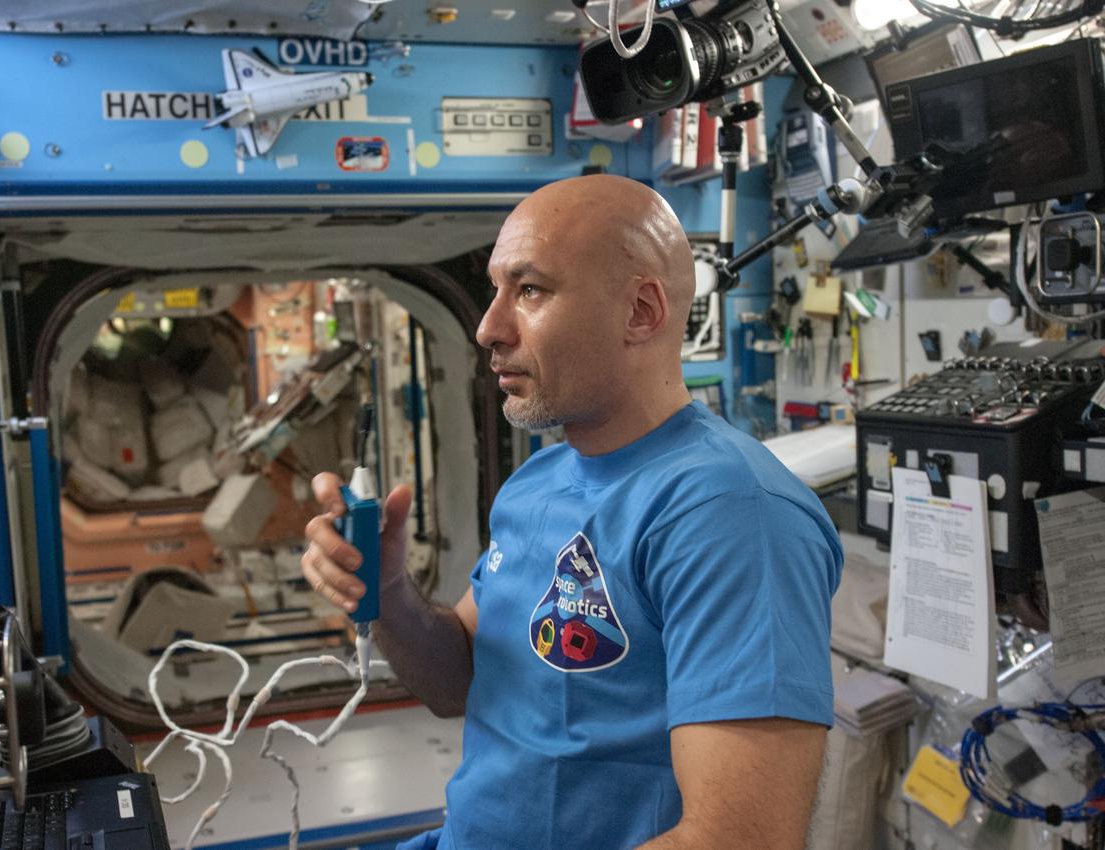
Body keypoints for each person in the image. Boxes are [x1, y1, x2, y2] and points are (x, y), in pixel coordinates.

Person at [301, 174, 843, 850]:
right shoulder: (538, 481)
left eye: (529, 291)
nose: (488, 328)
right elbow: (460, 682)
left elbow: (739, 840)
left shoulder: (729, 514)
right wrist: (386, 592)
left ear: (640, 313)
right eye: (496, 290)